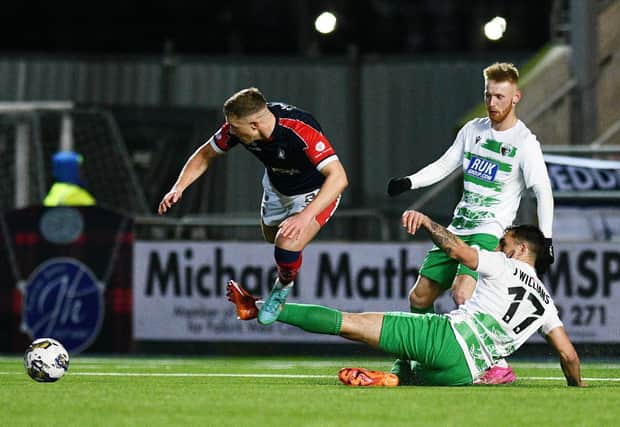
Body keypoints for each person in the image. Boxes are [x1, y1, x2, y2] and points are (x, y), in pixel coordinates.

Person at [227, 210, 585, 388]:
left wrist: (428, 223)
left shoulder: (503, 265)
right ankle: (394, 379)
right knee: (410, 375)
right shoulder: (545, 304)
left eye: (505, 243)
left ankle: (257, 306)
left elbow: (459, 251)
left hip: (445, 339)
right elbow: (568, 356)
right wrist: (577, 388)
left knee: (349, 323)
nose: (500, 246)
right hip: (464, 373)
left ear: (522, 249)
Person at [386, 62, 555, 383]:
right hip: (457, 228)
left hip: (489, 231)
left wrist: (546, 239)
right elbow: (445, 165)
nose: (493, 104)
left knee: (463, 294)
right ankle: (411, 357)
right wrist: (410, 182)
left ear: (516, 97)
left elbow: (542, 190)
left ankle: (498, 363)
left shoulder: (525, 142)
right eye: (488, 96)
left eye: (500, 97)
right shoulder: (472, 131)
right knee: (419, 298)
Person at [158, 87, 348, 325]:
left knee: (286, 244)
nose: (231, 132)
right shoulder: (238, 129)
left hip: (317, 191)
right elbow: (204, 155)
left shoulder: (299, 130)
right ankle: (285, 267)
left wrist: (304, 217)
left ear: (255, 125)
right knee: (272, 238)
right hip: (277, 188)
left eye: (236, 128)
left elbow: (339, 178)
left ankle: (281, 288)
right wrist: (178, 187)